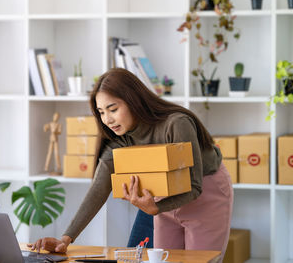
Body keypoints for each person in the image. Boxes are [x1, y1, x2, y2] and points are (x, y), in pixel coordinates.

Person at [29, 68, 233, 262]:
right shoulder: (118, 139)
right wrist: (66, 239)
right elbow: (99, 189)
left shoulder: (176, 123)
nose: (107, 119)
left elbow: (194, 186)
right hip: (163, 197)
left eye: (113, 109)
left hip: (205, 194)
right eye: (101, 112)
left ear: (133, 101)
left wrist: (156, 208)